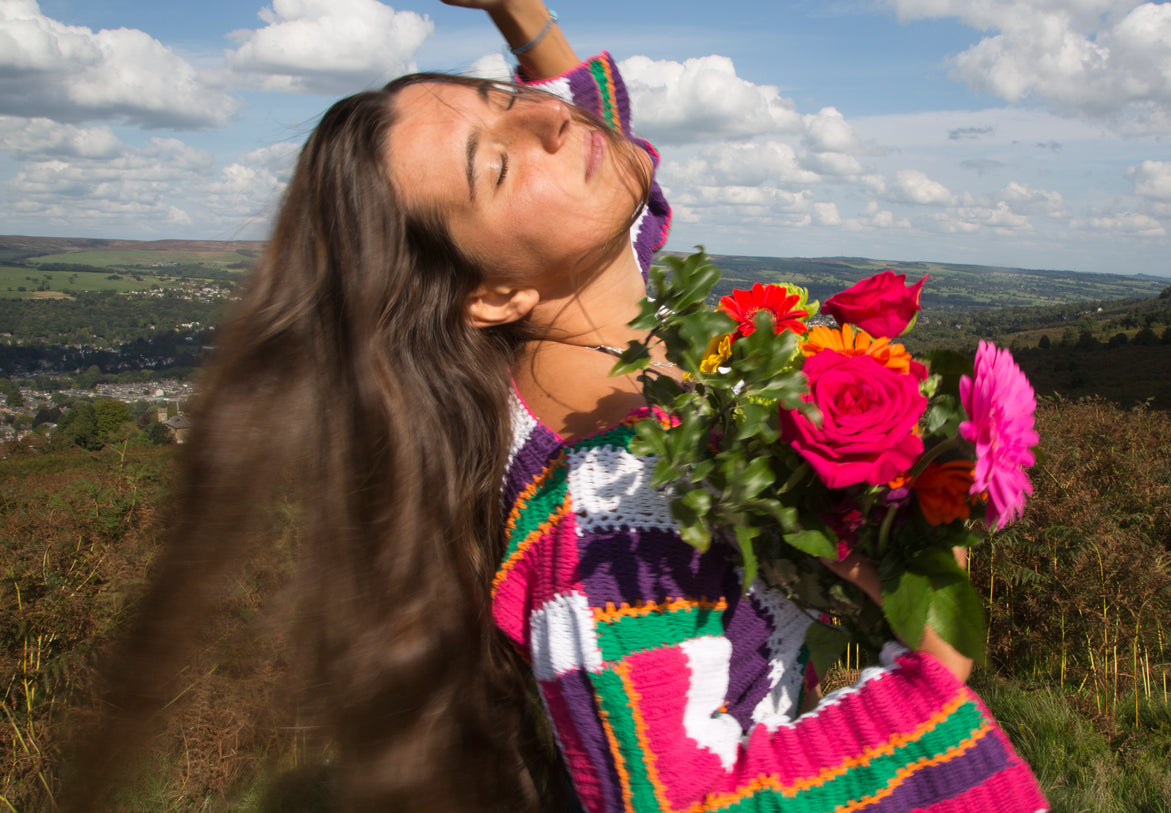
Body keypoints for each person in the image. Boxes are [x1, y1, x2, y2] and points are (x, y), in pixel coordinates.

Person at [63, 1, 1048, 811]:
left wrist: (516, 15)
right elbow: (683, 800)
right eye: (495, 164)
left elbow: (593, 153)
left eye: (501, 100)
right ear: (490, 295)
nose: (548, 122)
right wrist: (934, 660)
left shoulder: (593, 329)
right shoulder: (610, 524)